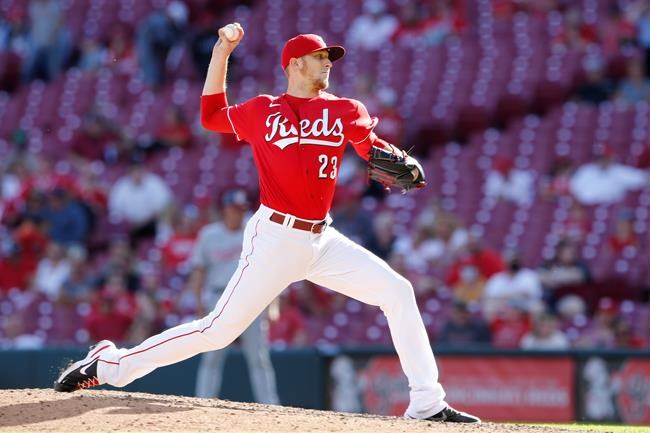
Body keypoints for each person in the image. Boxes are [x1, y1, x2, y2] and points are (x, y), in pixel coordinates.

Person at [53, 25, 479, 424]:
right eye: (319, 57)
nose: (328, 63)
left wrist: (397, 158)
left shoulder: (347, 110)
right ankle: (109, 364)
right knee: (217, 332)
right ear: (295, 64)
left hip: (322, 239)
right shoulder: (263, 110)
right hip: (274, 237)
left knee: (398, 292)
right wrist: (222, 52)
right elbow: (210, 115)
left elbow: (372, 149)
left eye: (330, 57)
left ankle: (427, 403)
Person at [189, 188, 279, 404]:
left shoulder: (255, 231)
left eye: (240, 209)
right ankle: (203, 401)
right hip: (218, 297)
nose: (236, 214)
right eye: (232, 209)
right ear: (224, 210)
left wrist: (273, 305)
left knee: (259, 358)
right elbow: (199, 271)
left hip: (251, 298)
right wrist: (199, 303)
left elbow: (272, 269)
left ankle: (271, 406)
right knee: (211, 356)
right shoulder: (209, 234)